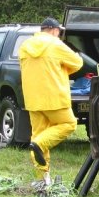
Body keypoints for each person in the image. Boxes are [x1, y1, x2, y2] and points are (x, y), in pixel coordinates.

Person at [19, 18, 83, 186]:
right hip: (55, 97)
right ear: (54, 30)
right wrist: (63, 68)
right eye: (59, 32)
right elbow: (78, 63)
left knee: (39, 134)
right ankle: (38, 145)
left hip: (33, 99)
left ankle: (41, 180)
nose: (59, 34)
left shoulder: (25, 45)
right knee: (69, 124)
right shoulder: (56, 44)